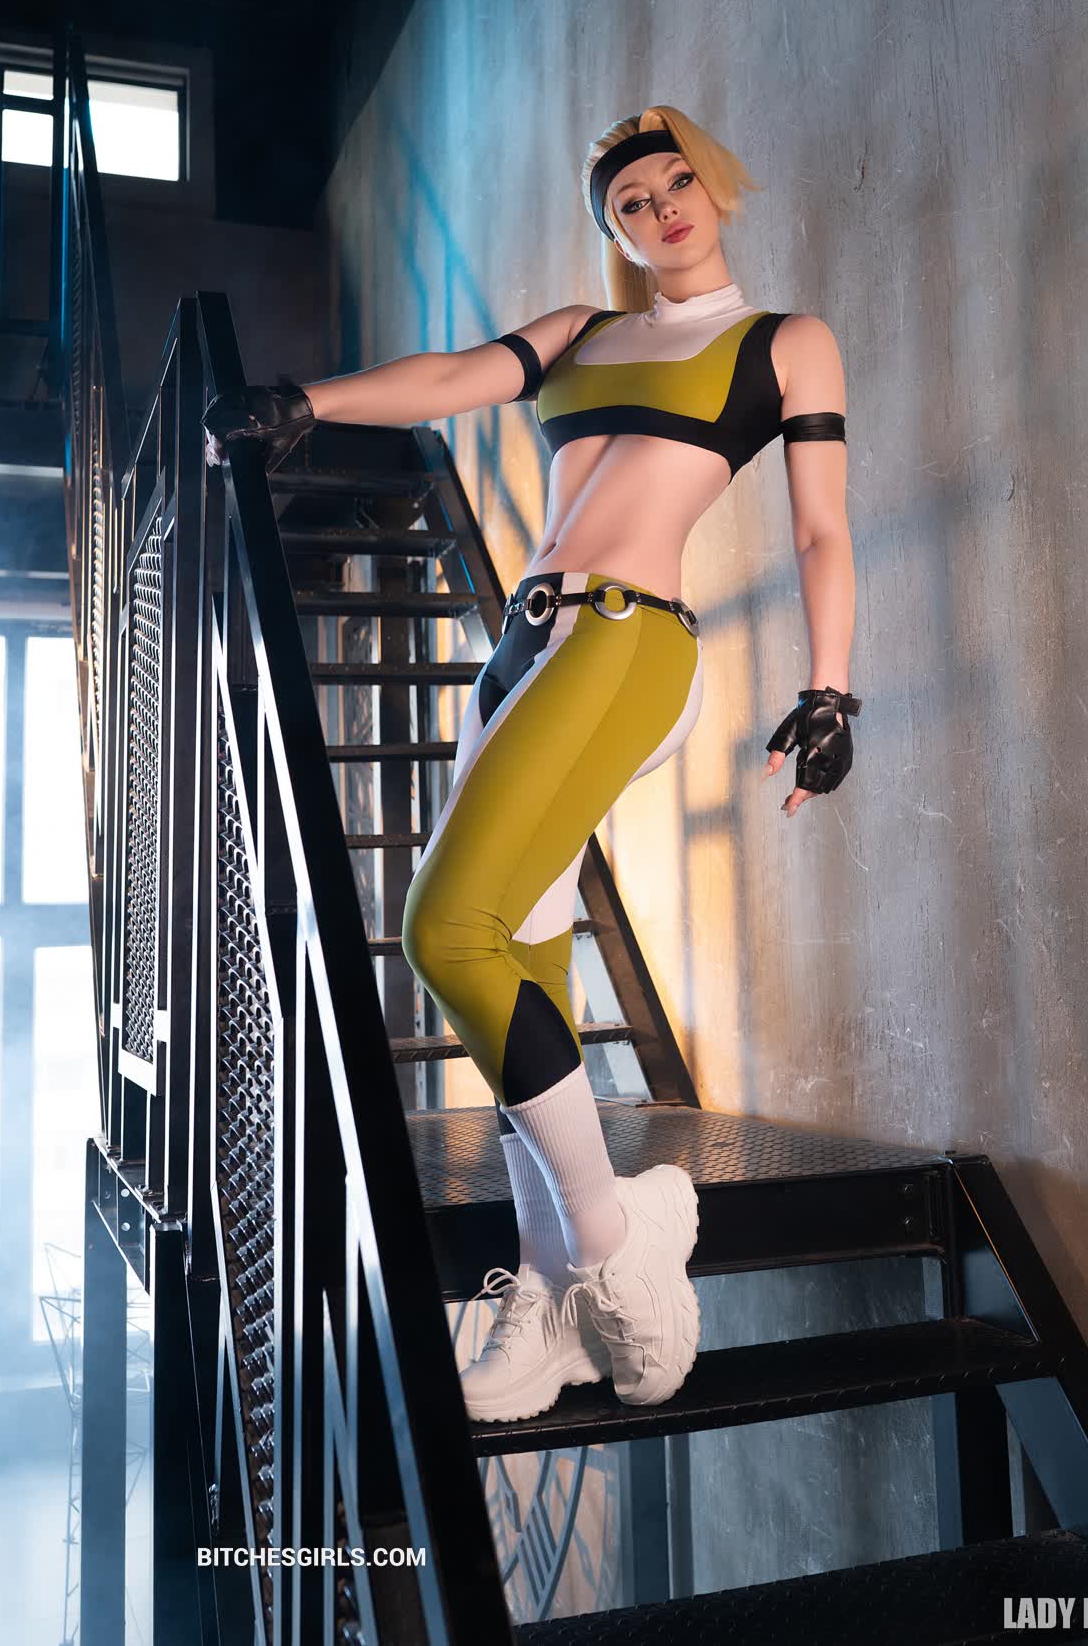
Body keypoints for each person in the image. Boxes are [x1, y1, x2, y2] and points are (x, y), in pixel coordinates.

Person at [202, 103, 859, 1425]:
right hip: (519, 649)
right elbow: (453, 378)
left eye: (677, 183)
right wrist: (303, 403)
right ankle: (554, 1296)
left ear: (716, 185)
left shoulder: (781, 342)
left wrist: (831, 688)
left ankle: (616, 1243)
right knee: (522, 959)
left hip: (627, 641)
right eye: (632, 204)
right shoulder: (580, 331)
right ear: (615, 229)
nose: (662, 210)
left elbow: (820, 532)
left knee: (444, 929)